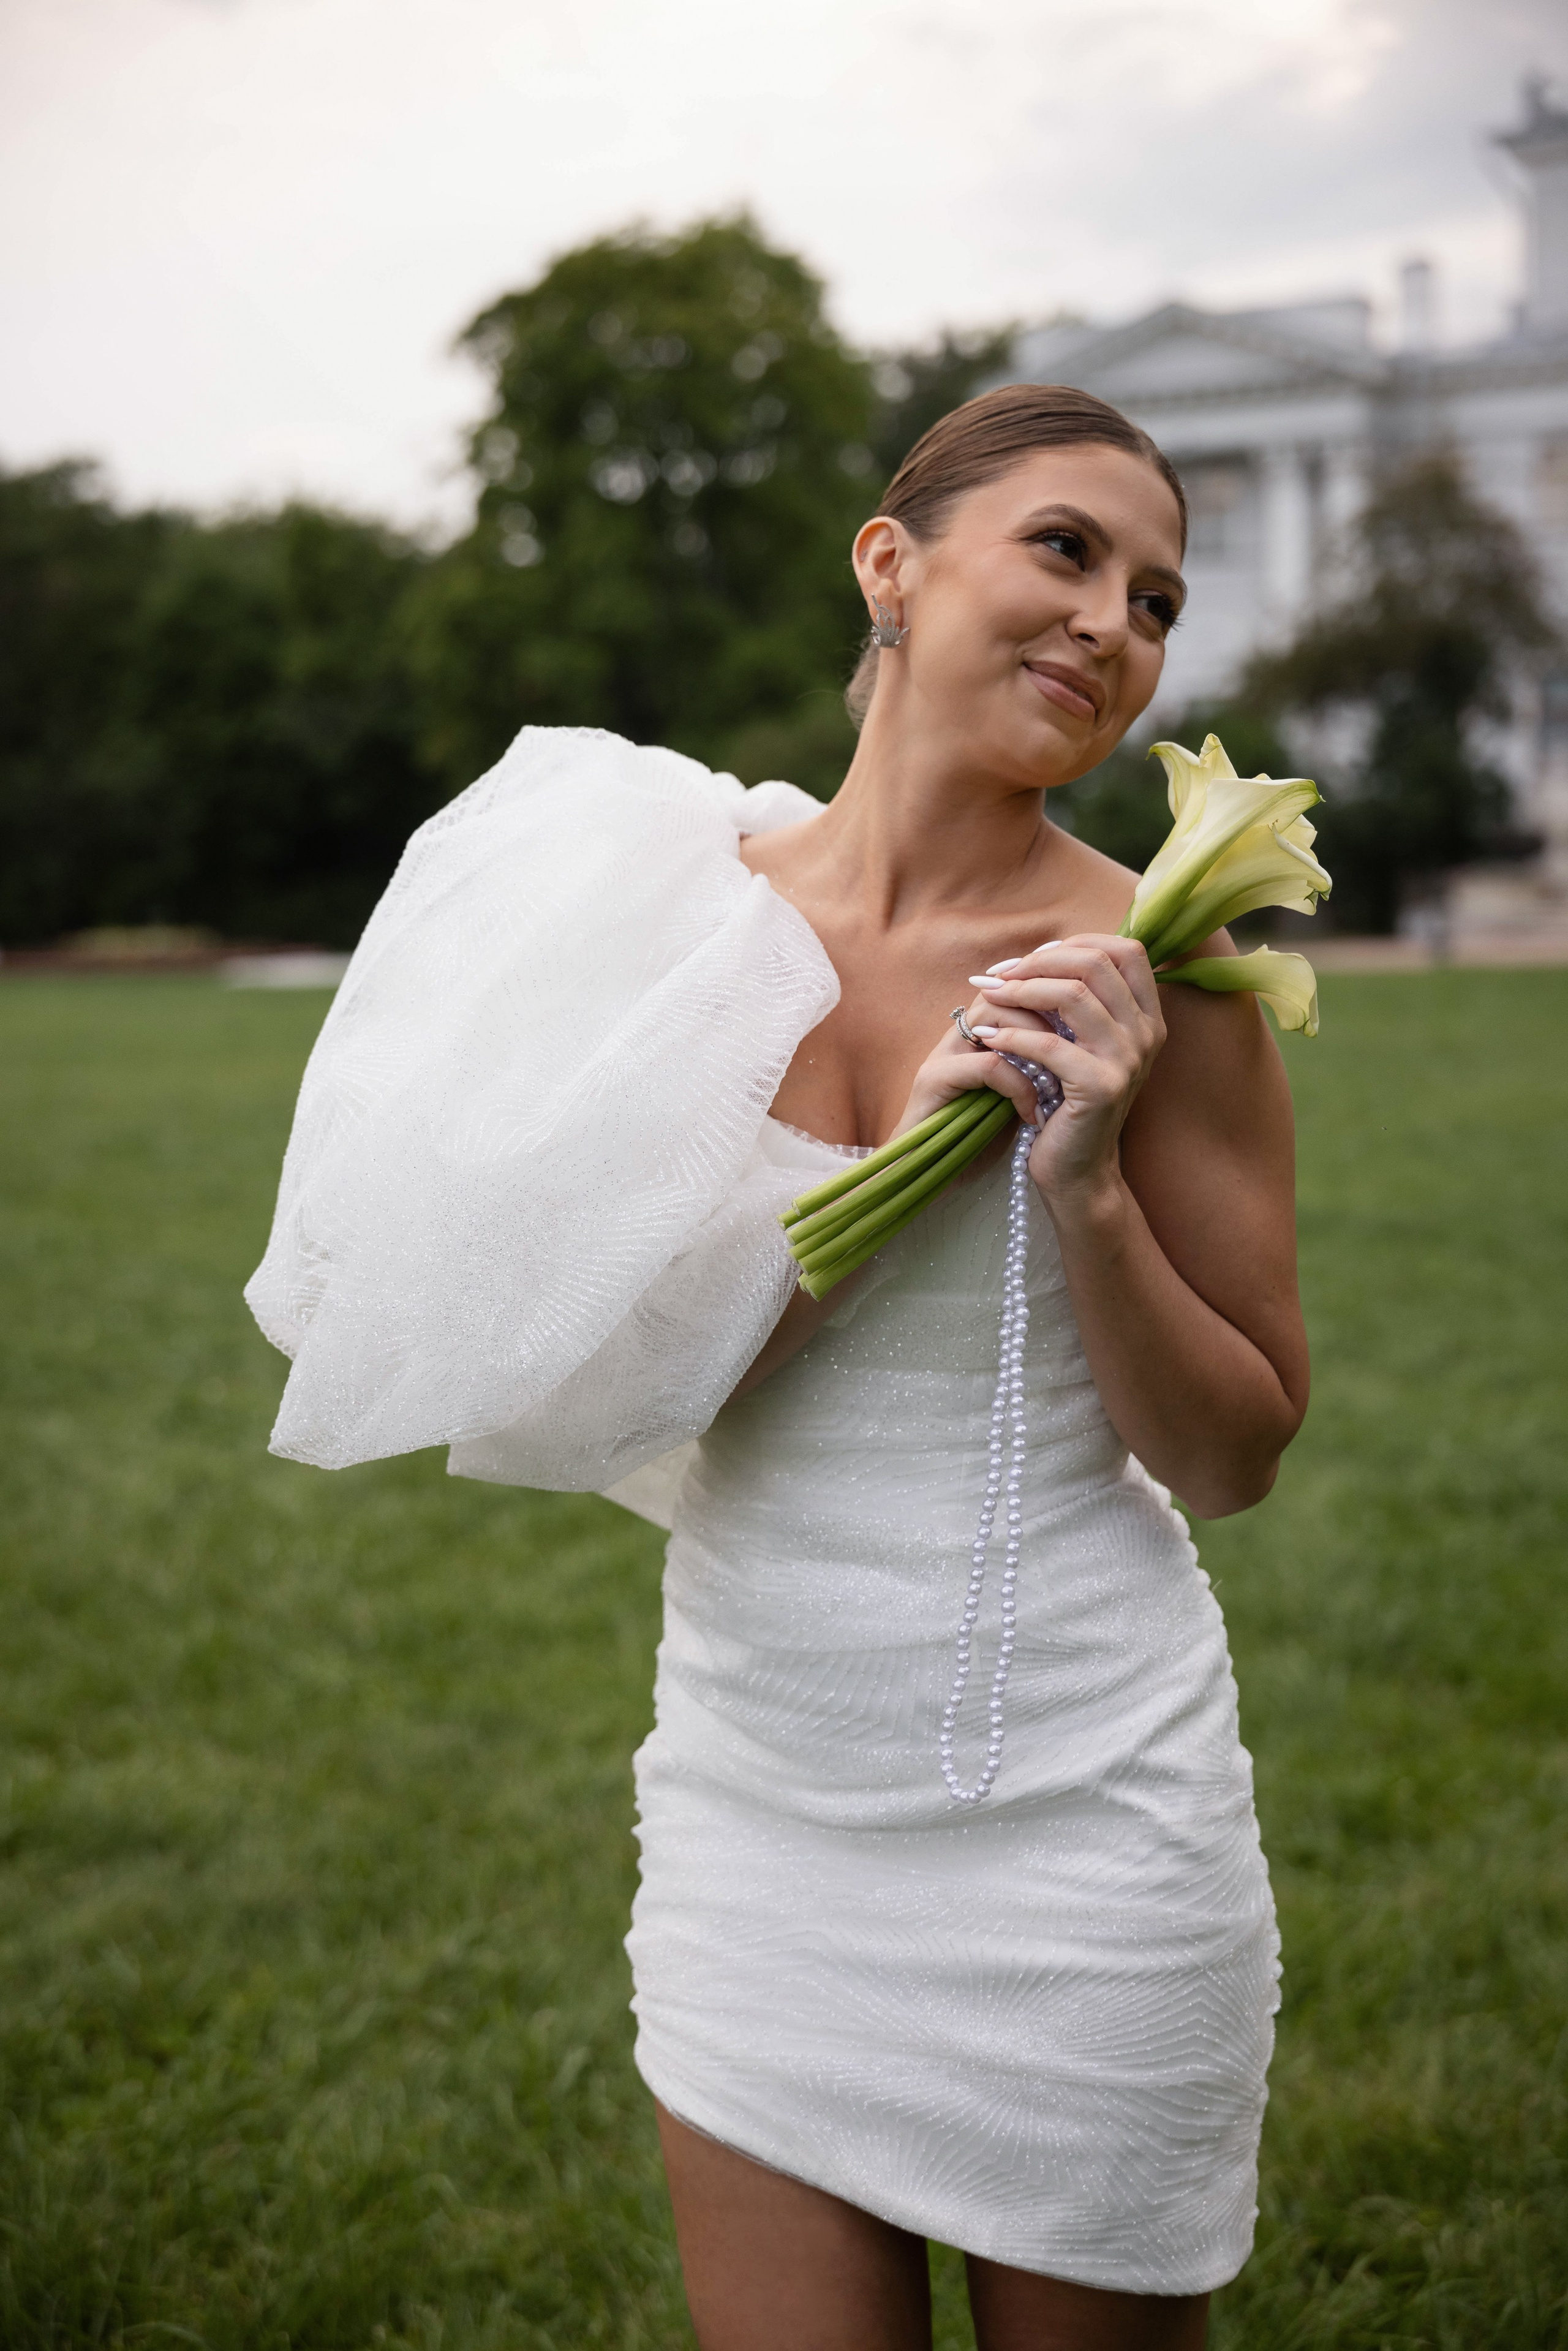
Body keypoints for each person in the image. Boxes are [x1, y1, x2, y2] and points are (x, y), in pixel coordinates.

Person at [247, 384, 1308, 2350]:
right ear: (891, 566)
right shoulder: (668, 919)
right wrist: (904, 1158)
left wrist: (1082, 1187)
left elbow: (1238, 1456)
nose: (1114, 626)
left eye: (1158, 599)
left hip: (1085, 1827)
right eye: (1066, 551)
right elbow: (595, 1377)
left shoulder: (1164, 973)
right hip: (760, 1823)